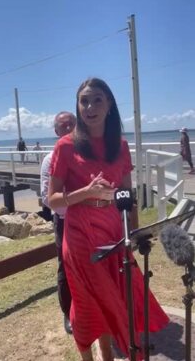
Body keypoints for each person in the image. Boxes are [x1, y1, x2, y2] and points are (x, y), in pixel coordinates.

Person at [48, 78, 169, 361]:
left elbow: (128, 194)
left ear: (110, 104)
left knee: (117, 299)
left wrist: (136, 231)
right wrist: (85, 192)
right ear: (78, 106)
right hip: (80, 235)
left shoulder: (121, 146)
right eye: (84, 101)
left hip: (114, 232)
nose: (90, 107)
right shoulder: (66, 146)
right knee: (89, 302)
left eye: (97, 100)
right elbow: (52, 200)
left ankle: (109, 355)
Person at [40, 111, 76, 334]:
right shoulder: (49, 159)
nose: (69, 128)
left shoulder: (86, 153)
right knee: (65, 267)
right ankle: (68, 312)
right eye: (64, 125)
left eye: (73, 123)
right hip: (64, 221)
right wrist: (79, 200)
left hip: (89, 220)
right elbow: (47, 199)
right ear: (56, 131)